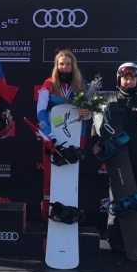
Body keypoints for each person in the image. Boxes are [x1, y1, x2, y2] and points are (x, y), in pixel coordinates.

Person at [92, 62, 137, 253]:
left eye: (133, 78)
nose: (129, 82)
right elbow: (97, 124)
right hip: (118, 158)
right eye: (125, 78)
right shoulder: (109, 100)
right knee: (118, 197)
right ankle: (115, 239)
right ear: (119, 79)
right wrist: (95, 141)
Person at [36, 50, 91, 219]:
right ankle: (47, 213)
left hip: (76, 135)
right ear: (56, 66)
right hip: (53, 136)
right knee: (50, 175)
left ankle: (69, 212)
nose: (64, 67)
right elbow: (41, 111)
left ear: (73, 66)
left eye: (68, 64)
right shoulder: (49, 84)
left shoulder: (82, 85)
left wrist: (86, 113)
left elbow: (90, 113)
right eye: (61, 64)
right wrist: (47, 133)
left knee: (70, 175)